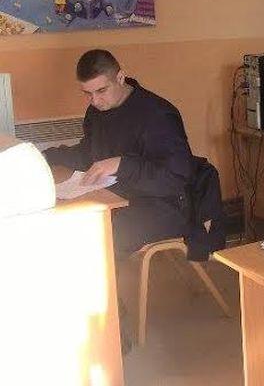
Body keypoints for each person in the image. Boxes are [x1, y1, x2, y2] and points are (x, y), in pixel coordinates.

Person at [44, 49, 192, 256]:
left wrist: (122, 164)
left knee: (93, 237)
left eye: (101, 91)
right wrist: (45, 157)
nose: (95, 101)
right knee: (65, 220)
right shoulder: (97, 111)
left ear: (121, 77)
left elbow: (174, 178)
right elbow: (88, 152)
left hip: (162, 205)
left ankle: (102, 277)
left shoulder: (157, 114)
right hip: (117, 194)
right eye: (88, 93)